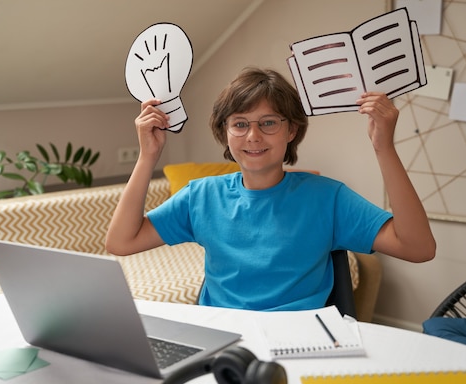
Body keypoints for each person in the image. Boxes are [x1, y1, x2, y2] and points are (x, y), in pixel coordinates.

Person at [106, 67, 435, 311]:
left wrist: (384, 147)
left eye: (268, 122)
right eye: (240, 124)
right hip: (226, 340)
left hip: (300, 342)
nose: (253, 136)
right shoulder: (201, 197)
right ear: (224, 131)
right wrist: (148, 156)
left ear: (291, 130)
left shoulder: (326, 197)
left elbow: (418, 247)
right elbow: (121, 242)